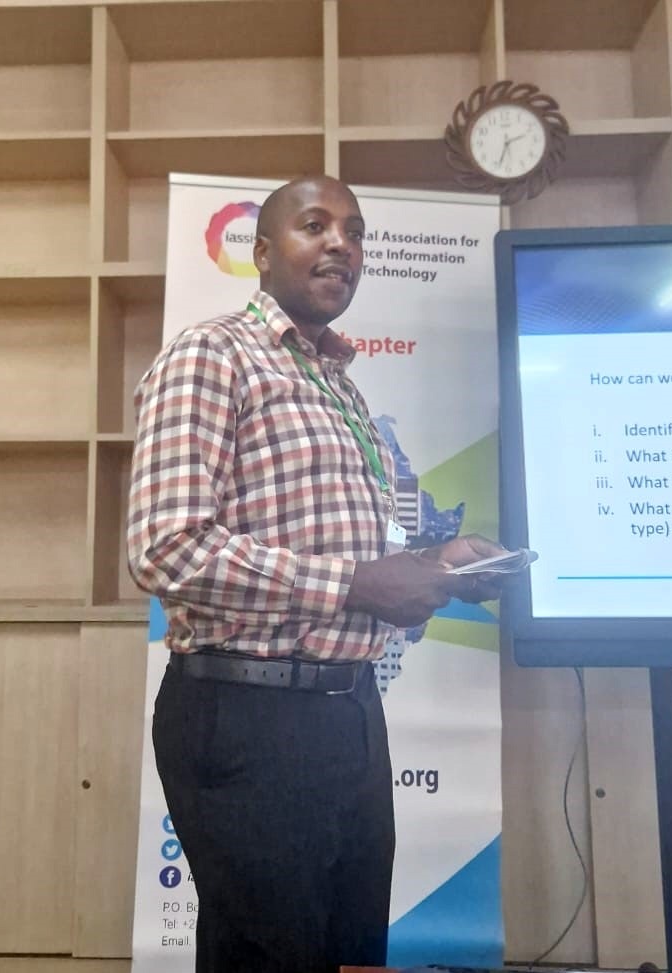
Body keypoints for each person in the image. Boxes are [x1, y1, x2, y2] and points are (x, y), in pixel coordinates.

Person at [128, 175, 506, 973]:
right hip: (249, 713)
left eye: (356, 231)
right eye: (315, 225)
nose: (342, 243)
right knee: (272, 956)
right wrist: (359, 585)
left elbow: (351, 544)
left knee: (351, 950)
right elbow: (165, 546)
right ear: (263, 252)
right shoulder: (212, 354)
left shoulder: (342, 386)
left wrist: (436, 564)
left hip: (351, 710)